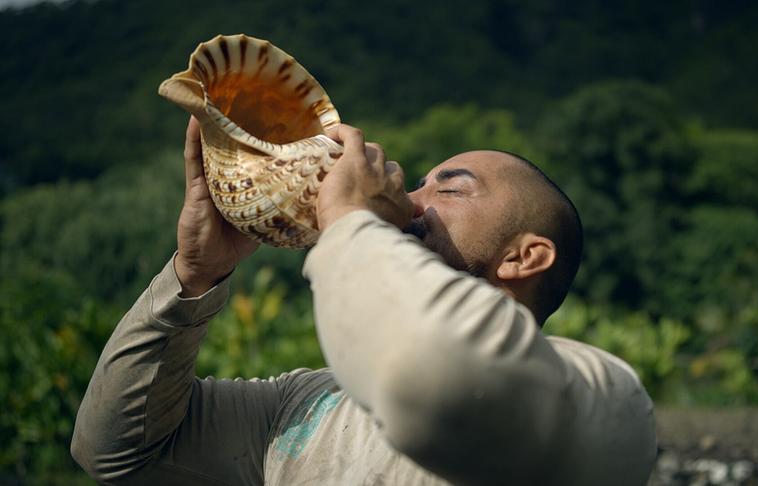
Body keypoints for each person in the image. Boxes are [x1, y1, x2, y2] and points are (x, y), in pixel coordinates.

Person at [71, 117, 656, 485]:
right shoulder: (305, 404)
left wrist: (350, 216)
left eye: (450, 188)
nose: (411, 197)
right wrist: (196, 274)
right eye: (421, 182)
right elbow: (116, 453)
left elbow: (445, 381)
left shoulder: (600, 395)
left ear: (524, 258)